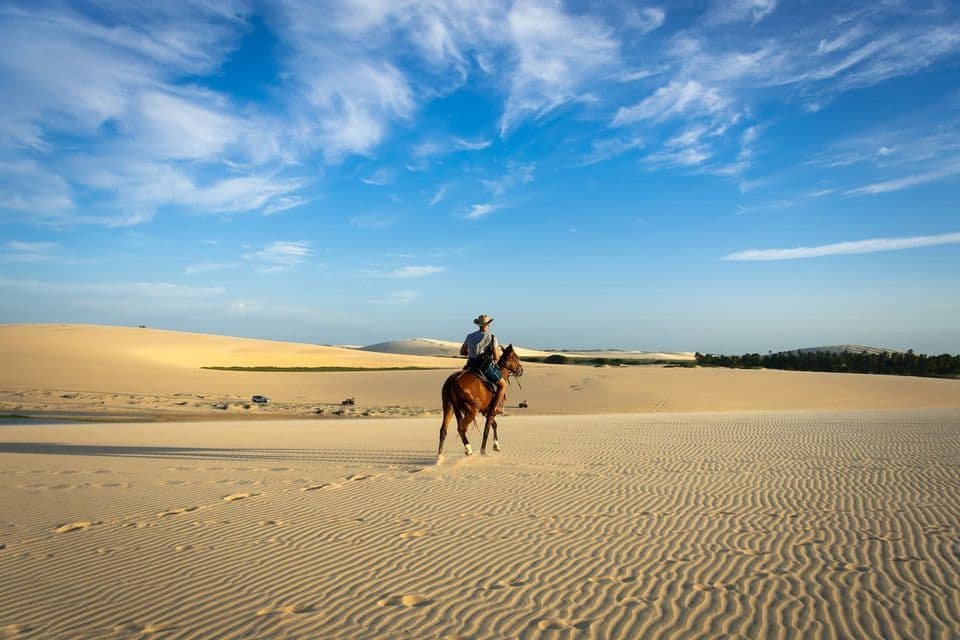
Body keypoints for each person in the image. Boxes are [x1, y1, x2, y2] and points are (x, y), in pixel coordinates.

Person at [460, 314, 507, 415]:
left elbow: (462, 352)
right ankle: (494, 408)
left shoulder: (470, 336)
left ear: (479, 325)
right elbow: (496, 357)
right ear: (488, 325)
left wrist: (473, 353)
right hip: (485, 367)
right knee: (503, 385)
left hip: (471, 366)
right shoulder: (492, 338)